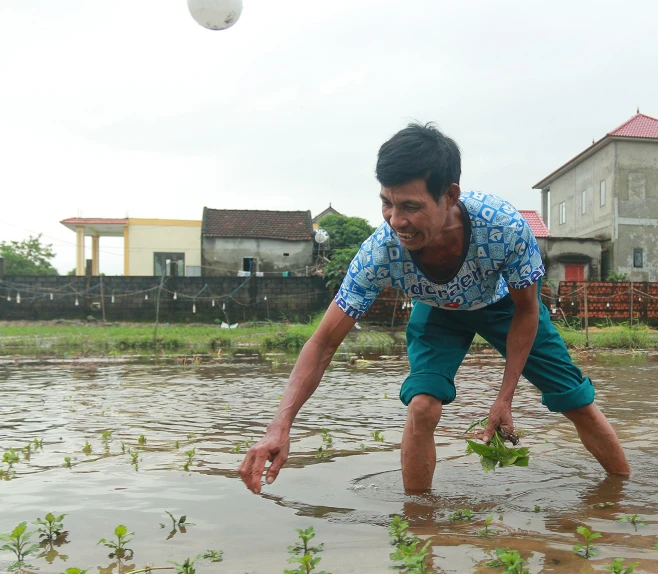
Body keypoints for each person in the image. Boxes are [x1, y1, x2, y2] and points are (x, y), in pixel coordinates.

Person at [238, 123, 630, 494]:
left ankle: (626, 494)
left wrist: (504, 397)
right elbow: (323, 343)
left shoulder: (504, 228)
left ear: (450, 196)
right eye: (387, 203)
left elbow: (527, 310)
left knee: (575, 401)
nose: (397, 221)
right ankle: (420, 527)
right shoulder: (380, 252)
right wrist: (280, 425)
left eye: (410, 206)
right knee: (423, 407)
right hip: (438, 311)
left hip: (503, 307)